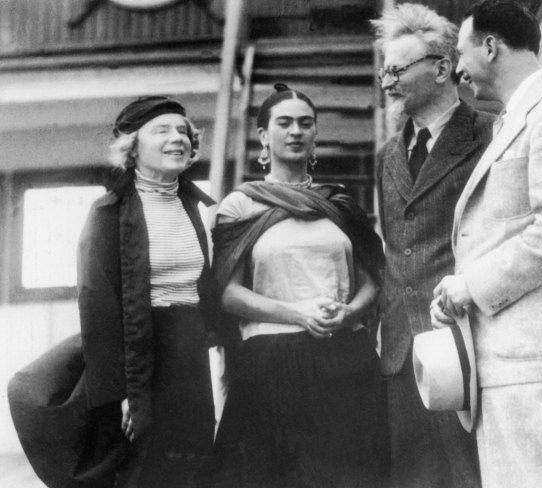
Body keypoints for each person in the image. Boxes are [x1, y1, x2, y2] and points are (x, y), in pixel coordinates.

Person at [431, 2, 542, 487]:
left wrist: (473, 286)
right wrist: (460, 288)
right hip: (504, 357)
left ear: (490, 47)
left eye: (461, 54)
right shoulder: (516, 116)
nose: (458, 70)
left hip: (527, 358)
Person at [210, 83, 389, 488]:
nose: (295, 132)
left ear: (315, 136)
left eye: (305, 124)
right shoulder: (241, 205)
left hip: (345, 358)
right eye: (284, 123)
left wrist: (350, 311)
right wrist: (298, 313)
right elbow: (226, 292)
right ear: (263, 136)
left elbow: (371, 281)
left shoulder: (339, 203)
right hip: (270, 363)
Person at [370, 4, 492, 487]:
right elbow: (395, 246)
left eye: (398, 70)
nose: (387, 81)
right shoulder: (389, 155)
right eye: (385, 71)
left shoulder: (492, 134)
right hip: (404, 354)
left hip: (471, 345)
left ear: (442, 69)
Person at [78, 95, 218, 487]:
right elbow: (98, 306)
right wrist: (123, 392)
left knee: (192, 458)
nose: (178, 138)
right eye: (162, 130)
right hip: (141, 353)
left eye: (183, 131)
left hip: (188, 348)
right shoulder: (109, 213)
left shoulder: (193, 205)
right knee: (144, 466)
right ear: (132, 148)